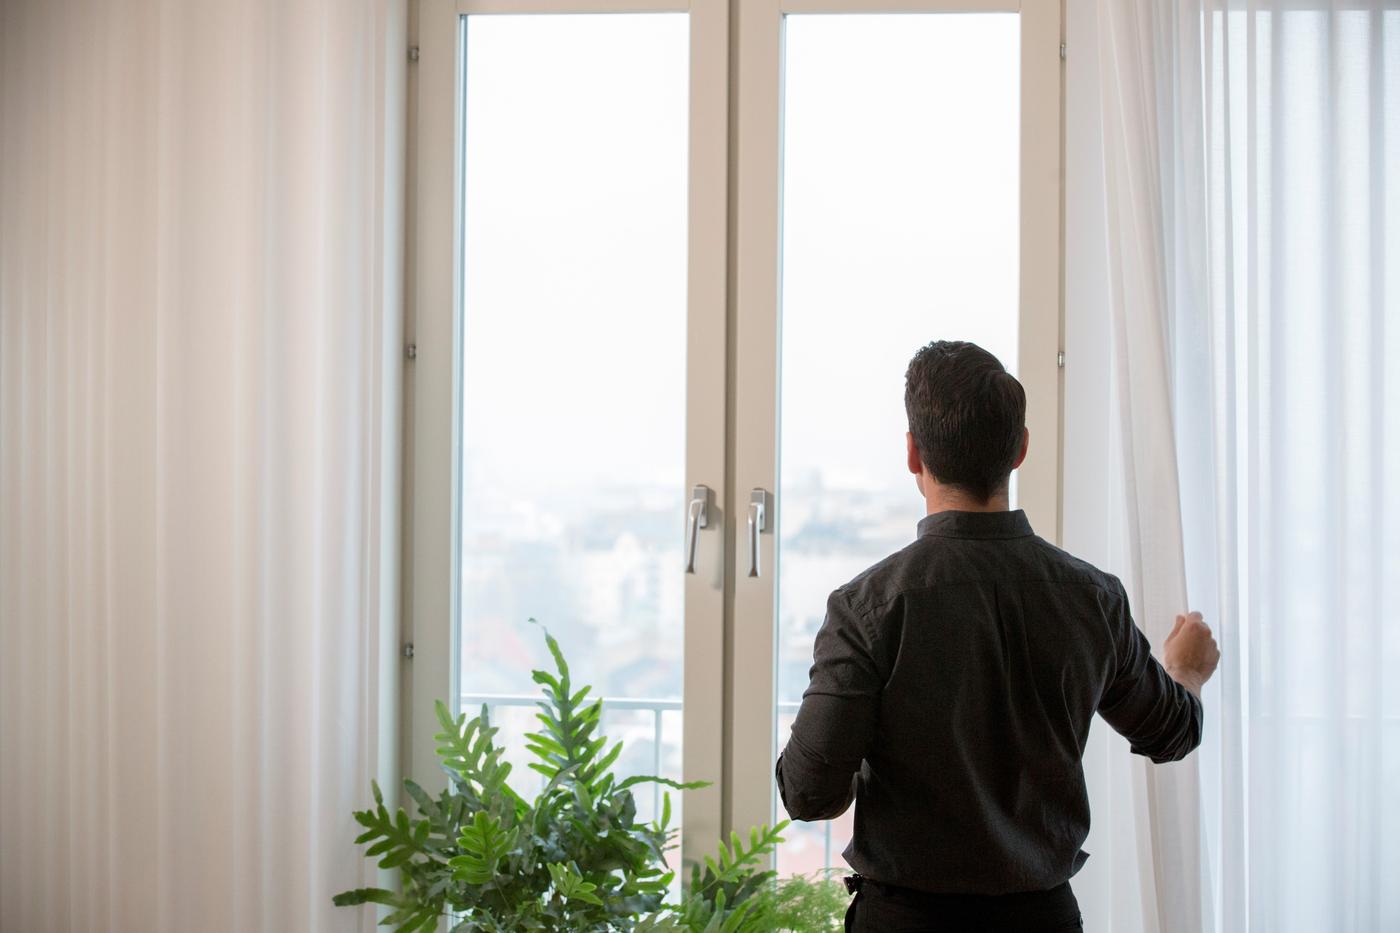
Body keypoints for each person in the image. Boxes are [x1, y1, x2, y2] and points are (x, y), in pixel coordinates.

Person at [774, 340, 1220, 932]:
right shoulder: (1093, 598)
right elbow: (1173, 731)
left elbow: (808, 795)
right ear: (1021, 450)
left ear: (913, 453)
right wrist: (1185, 668)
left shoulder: (867, 607)